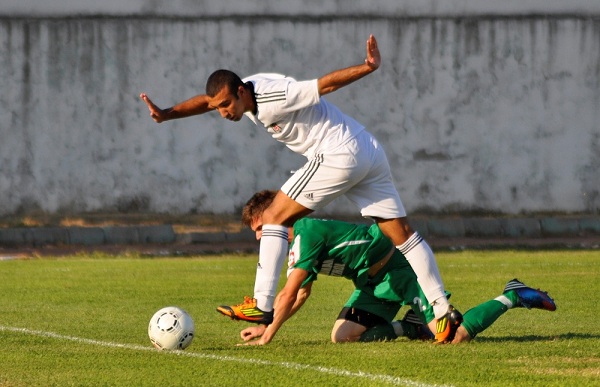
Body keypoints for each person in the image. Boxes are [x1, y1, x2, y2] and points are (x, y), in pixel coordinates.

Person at [140, 35, 456, 341]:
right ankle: (441, 311)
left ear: (240, 92)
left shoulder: (274, 96)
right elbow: (206, 101)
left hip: (339, 153)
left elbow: (324, 85)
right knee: (403, 235)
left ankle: (261, 305)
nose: (223, 113)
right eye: (218, 108)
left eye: (226, 105)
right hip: (367, 150)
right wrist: (168, 114)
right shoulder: (243, 92)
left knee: (275, 215)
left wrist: (368, 67)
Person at [235, 190, 557, 346]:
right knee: (343, 337)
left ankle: (511, 296)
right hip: (372, 284)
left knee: (452, 338)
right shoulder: (297, 244)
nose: (260, 237)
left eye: (261, 228)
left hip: (400, 271)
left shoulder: (306, 234)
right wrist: (270, 325)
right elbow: (302, 293)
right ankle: (413, 326)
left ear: (278, 216)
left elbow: (290, 292)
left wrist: (268, 331)